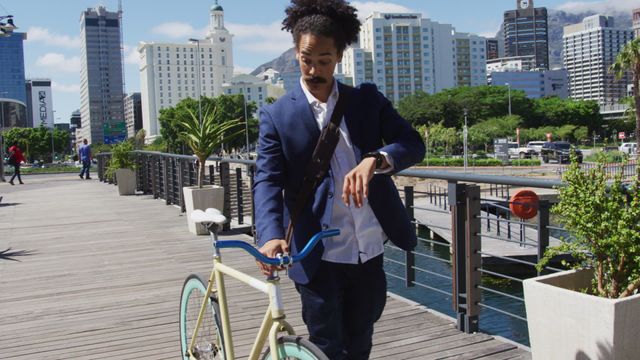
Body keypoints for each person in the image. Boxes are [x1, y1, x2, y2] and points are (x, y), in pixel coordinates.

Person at [253, 1, 426, 358]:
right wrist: (269, 236)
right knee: (328, 348)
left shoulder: (366, 100)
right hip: (317, 253)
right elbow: (268, 180)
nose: (313, 69)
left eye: (324, 60)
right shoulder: (277, 115)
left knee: (360, 342)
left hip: (369, 250)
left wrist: (375, 159)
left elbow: (412, 144)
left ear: (340, 56)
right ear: (296, 52)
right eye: (306, 59)